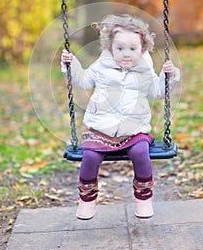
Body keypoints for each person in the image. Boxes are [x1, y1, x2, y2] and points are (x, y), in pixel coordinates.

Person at [61, 13, 180, 220]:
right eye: (120, 48)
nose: (126, 54)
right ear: (110, 48)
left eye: (133, 49)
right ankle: (87, 201)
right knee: (89, 157)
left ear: (142, 49)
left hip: (134, 130)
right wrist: (72, 65)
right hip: (100, 129)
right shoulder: (101, 68)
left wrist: (167, 76)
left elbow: (158, 91)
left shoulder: (144, 72)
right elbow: (83, 82)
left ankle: (143, 199)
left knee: (141, 153)